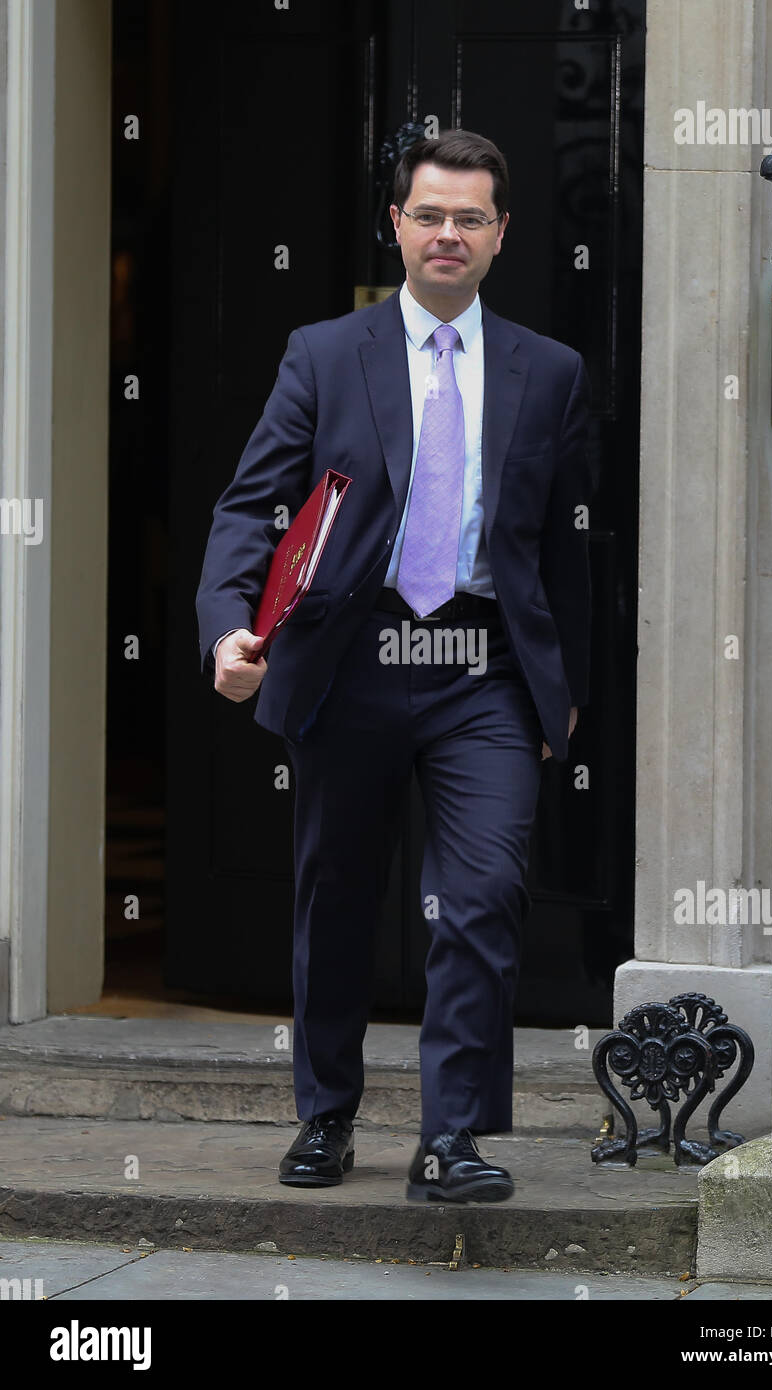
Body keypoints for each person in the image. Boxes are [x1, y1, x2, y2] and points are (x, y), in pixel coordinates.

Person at [196, 129, 595, 1204]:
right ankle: (325, 1115)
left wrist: (564, 698)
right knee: (338, 899)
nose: (448, 233)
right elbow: (251, 507)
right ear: (397, 224)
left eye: (470, 217)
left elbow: (565, 552)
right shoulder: (324, 355)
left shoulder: (548, 374)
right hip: (354, 660)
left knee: (481, 895)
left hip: (483, 672)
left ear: (501, 234)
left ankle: (451, 1138)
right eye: (429, 213)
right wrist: (227, 627)